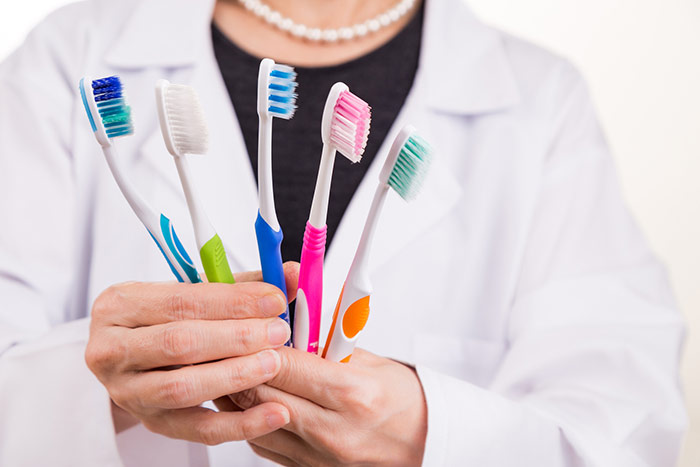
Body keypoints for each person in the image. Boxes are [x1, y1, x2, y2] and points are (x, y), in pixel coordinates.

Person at [0, 0, 687, 465]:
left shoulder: (541, 101)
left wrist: (429, 431)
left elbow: (626, 424)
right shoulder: (69, 56)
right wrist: (95, 382)